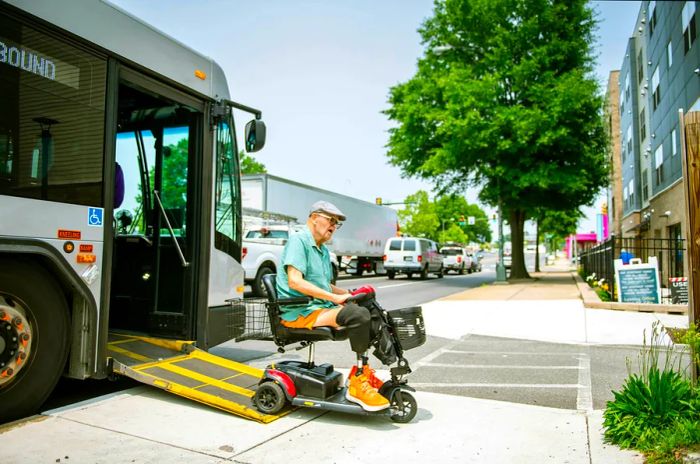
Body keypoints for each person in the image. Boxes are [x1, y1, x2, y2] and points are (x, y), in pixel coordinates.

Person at [276, 200, 389, 412]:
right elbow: (295, 281)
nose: (333, 227)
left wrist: (347, 294)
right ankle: (357, 384)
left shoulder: (322, 251)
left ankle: (363, 370)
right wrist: (334, 298)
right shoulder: (299, 241)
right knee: (357, 316)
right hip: (300, 311)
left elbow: (324, 284)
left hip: (319, 307)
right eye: (331, 220)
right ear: (314, 217)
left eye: (337, 223)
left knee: (370, 308)